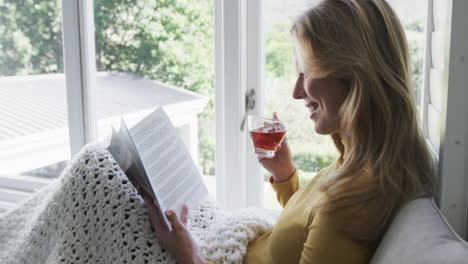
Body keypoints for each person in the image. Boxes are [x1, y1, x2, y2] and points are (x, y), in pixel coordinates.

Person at [144, 0, 435, 263]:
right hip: (231, 248)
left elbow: (327, 222)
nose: (297, 92)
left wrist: (189, 256)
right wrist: (285, 175)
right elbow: (307, 228)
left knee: (103, 172)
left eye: (306, 73)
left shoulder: (353, 202)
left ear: (354, 76)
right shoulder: (357, 162)